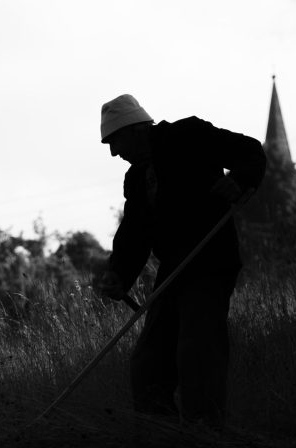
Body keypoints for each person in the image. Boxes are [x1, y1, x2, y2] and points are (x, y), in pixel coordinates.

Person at [95, 94, 266, 429]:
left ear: (135, 130)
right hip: (173, 270)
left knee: (197, 349)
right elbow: (135, 232)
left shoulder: (189, 135)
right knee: (148, 361)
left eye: (115, 141)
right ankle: (162, 437)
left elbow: (250, 151)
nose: (115, 153)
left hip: (211, 260)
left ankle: (206, 435)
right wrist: (119, 274)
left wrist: (239, 181)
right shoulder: (136, 178)